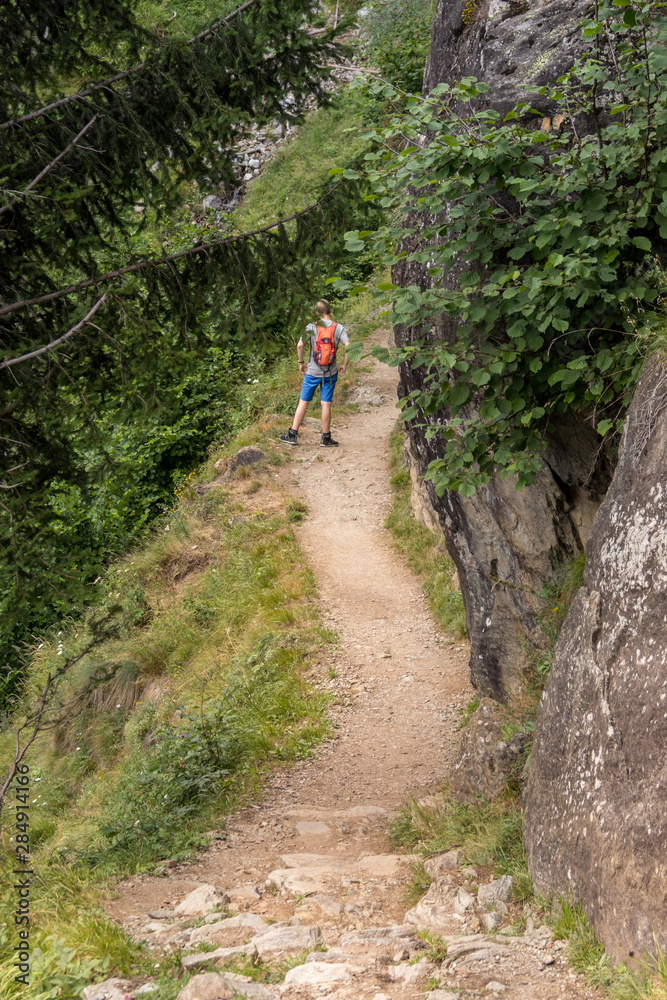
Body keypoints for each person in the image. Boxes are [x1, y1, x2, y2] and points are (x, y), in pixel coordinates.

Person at [280, 299, 349, 447]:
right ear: (330, 311)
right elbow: (349, 346)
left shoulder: (312, 327)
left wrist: (301, 362)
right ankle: (325, 438)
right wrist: (344, 364)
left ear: (317, 313)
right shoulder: (339, 328)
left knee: (304, 402)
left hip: (312, 372)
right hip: (330, 373)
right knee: (326, 404)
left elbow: (300, 345)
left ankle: (292, 435)